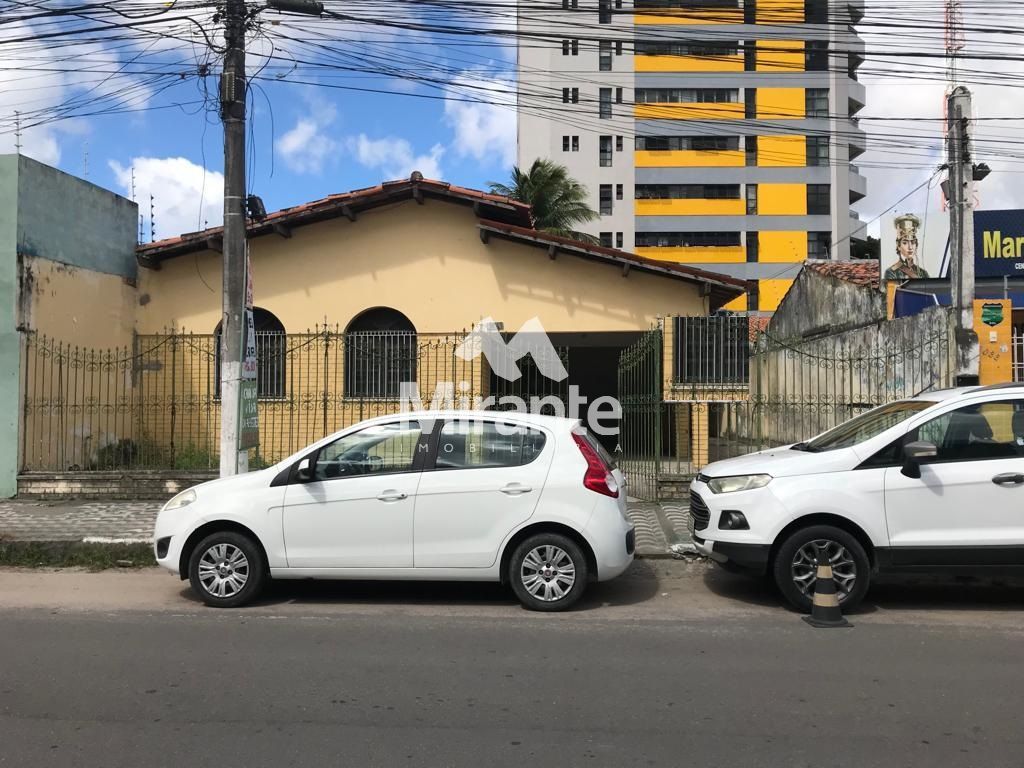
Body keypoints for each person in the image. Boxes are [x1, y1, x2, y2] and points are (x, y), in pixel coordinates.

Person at [884, 213, 930, 281]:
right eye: (905, 243)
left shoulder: (923, 273)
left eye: (913, 242)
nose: (910, 247)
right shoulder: (891, 272)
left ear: (916, 245)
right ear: (898, 245)